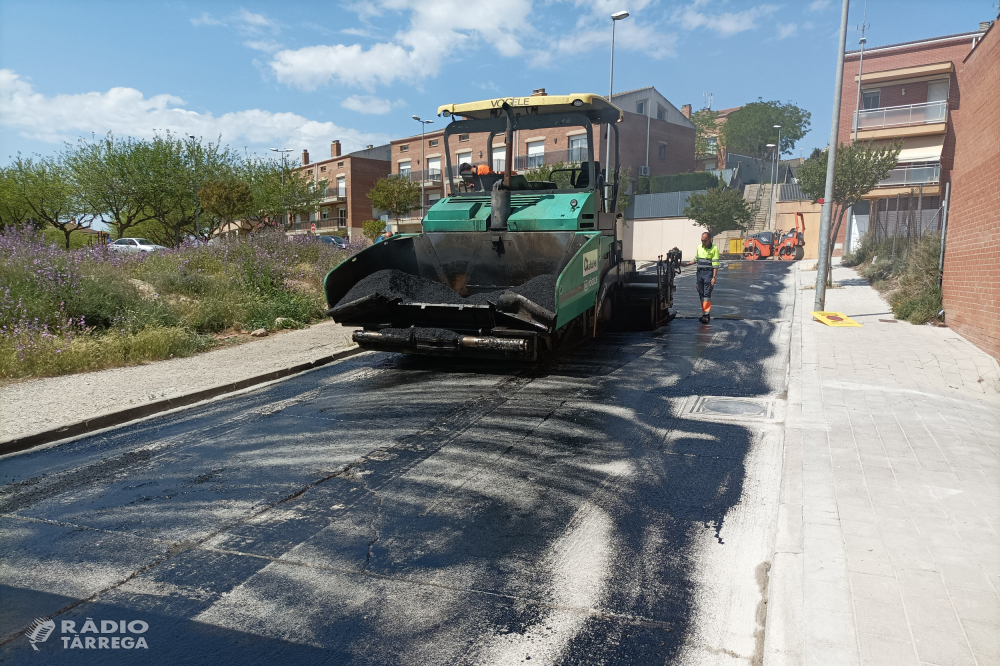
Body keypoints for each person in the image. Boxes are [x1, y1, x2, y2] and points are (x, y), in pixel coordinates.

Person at [681, 232, 720, 324]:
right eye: (702, 240)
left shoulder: (714, 249)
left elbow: (715, 264)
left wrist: (714, 277)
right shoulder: (699, 247)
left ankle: (706, 315)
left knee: (706, 294)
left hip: (708, 273)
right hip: (699, 273)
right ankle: (704, 313)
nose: (703, 242)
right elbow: (696, 260)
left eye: (705, 241)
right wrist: (685, 264)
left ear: (709, 239)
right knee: (701, 293)